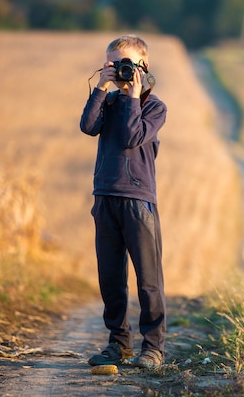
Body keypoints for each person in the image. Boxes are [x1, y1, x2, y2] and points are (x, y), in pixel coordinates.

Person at [80, 35, 167, 369]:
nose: (120, 69)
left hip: (138, 200)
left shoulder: (154, 107)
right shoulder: (110, 101)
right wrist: (101, 89)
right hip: (104, 196)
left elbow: (132, 137)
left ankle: (153, 349)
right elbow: (88, 126)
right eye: (113, 63)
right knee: (111, 279)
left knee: (148, 280)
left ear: (143, 67)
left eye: (126, 63)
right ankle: (118, 344)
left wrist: (133, 94)